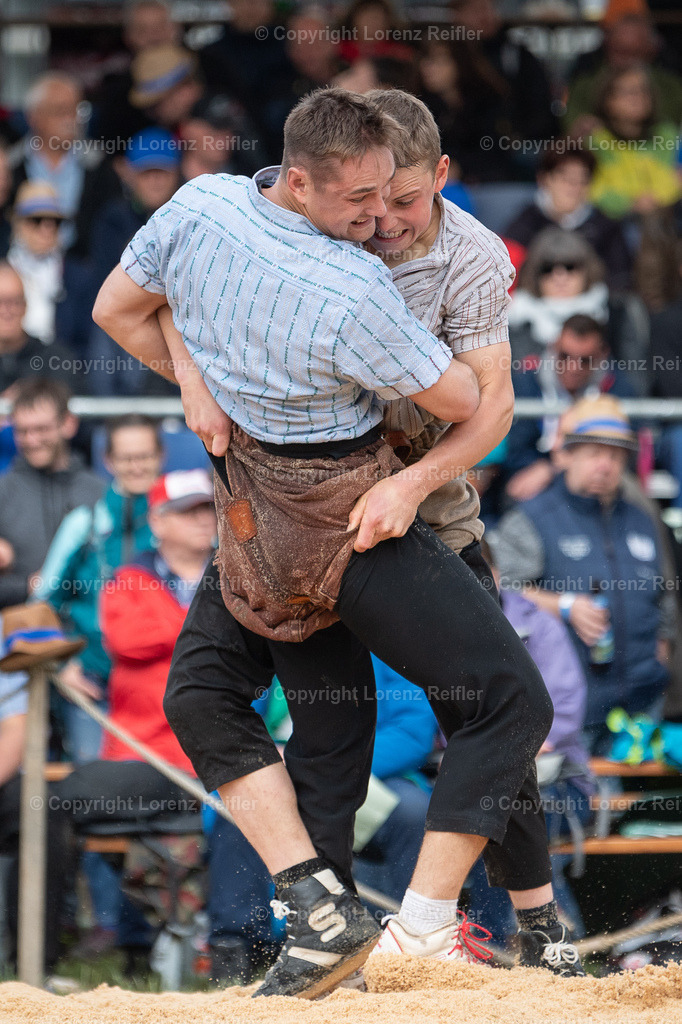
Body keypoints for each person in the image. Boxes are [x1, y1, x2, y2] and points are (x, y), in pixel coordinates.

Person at [93, 88, 564, 999]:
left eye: (398, 199)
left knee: (460, 713)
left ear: (437, 178)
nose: (378, 221)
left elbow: (123, 307)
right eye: (363, 203)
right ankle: (361, 926)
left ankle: (518, 926)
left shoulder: (209, 203)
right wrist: (199, 377)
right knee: (476, 705)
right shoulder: (346, 283)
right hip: (333, 509)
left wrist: (195, 373)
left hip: (347, 504)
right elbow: (474, 402)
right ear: (303, 184)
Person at [56, 469, 216, 953]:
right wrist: (207, 626)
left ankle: (231, 948)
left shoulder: (236, 571)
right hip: (141, 756)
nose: (203, 519)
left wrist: (174, 626)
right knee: (57, 803)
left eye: (207, 508)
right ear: (158, 522)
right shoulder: (129, 577)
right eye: (188, 511)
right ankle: (94, 940)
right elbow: (126, 639)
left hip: (213, 761)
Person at [495, 395, 671, 754]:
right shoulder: (531, 518)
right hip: (567, 711)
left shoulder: (641, 518)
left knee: (640, 807)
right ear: (566, 455)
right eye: (594, 452)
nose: (606, 465)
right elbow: (499, 589)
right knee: (576, 806)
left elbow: (664, 591)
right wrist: (563, 605)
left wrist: (663, 644)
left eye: (616, 454)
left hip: (643, 706)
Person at [35, 414, 163, 763]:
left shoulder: (181, 524)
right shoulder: (84, 523)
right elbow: (41, 604)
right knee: (96, 793)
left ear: (160, 457)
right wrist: (63, 668)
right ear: (108, 461)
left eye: (145, 456)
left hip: (163, 691)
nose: (136, 467)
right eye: (126, 457)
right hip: (92, 685)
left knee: (169, 794)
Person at [505, 313, 636, 503]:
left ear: (602, 355)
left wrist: (564, 466)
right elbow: (515, 451)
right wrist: (549, 467)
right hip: (537, 477)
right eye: (565, 356)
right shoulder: (525, 383)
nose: (573, 367)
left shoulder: (619, 388)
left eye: (585, 360)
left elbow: (629, 451)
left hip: (598, 477)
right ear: (553, 348)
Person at [0, 378, 103, 609]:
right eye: (22, 431)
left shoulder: (99, 491)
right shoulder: (3, 492)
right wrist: (25, 586)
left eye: (41, 429)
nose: (31, 441)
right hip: (19, 630)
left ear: (69, 424)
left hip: (89, 629)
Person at [507, 227, 649, 391]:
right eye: (548, 268)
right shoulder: (514, 320)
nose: (560, 277)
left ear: (587, 270)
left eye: (570, 266)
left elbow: (636, 381)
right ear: (535, 274)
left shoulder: (616, 315)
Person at [7, 73, 120, 257]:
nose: (70, 119)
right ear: (33, 117)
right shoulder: (10, 166)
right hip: (21, 269)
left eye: (76, 110)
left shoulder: (99, 164)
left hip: (84, 272)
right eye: (60, 111)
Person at [504, 148, 631, 292]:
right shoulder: (524, 223)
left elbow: (620, 278)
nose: (574, 187)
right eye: (565, 178)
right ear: (544, 179)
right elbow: (509, 275)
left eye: (583, 180)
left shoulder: (606, 226)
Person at [7, 181, 95, 353]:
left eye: (55, 221)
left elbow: (86, 343)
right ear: (18, 223)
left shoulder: (78, 277)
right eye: (36, 220)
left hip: (59, 372)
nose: (47, 228)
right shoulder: (4, 273)